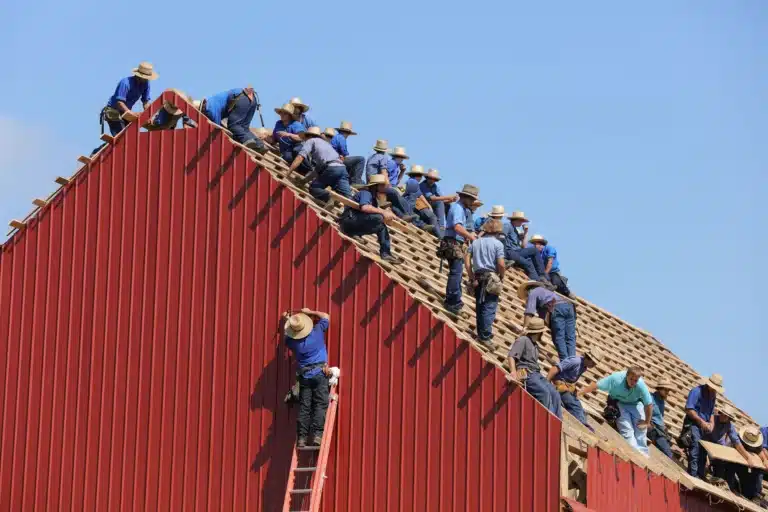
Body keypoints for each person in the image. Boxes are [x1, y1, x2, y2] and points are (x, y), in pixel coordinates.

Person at [283, 308, 332, 447]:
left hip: (304, 376)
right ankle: (317, 435)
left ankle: (302, 438)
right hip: (319, 373)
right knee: (320, 405)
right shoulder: (317, 333)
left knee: (305, 408)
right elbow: (326, 316)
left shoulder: (293, 342)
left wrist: (288, 320)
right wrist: (311, 311)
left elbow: (288, 335)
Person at [580, 367, 654, 456]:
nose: (633, 382)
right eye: (631, 379)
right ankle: (633, 454)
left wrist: (647, 422)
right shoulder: (616, 379)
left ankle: (643, 457)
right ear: (626, 375)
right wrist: (579, 393)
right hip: (619, 403)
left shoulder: (641, 385)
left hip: (635, 404)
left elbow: (649, 404)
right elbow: (596, 385)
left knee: (640, 430)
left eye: (635, 380)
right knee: (627, 430)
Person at [506, 317, 563, 418]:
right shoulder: (522, 340)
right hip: (528, 374)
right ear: (539, 332)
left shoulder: (535, 344)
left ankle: (558, 421)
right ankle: (549, 421)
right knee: (544, 393)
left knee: (555, 394)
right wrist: (513, 373)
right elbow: (511, 356)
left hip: (537, 374)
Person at [338, 174, 401, 264]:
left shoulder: (373, 199)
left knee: (381, 226)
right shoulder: (366, 193)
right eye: (382, 185)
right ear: (376, 186)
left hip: (356, 224)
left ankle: (385, 253)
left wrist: (389, 214)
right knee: (379, 218)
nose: (385, 188)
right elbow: (365, 208)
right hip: (348, 222)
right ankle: (353, 233)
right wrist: (383, 212)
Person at [440, 185, 480, 314]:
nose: (473, 202)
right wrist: (471, 237)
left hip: (454, 242)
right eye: (472, 199)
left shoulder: (461, 209)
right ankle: (452, 302)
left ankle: (455, 300)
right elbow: (457, 227)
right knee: (455, 273)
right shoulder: (458, 208)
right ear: (466, 197)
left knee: (456, 273)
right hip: (453, 242)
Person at [465, 219, 506, 345]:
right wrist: (502, 276)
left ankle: (481, 333)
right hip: (491, 277)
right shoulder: (498, 244)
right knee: (489, 307)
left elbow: (466, 259)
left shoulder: (476, 242)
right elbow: (501, 264)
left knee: (480, 306)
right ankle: (485, 337)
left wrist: (471, 276)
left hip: (478, 276)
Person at [517, 281, 577, 362]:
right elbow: (544, 320)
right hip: (569, 307)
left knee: (559, 338)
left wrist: (524, 329)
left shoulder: (533, 293)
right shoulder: (545, 292)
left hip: (557, 308)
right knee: (570, 337)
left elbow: (529, 313)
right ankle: (572, 361)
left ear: (527, 290)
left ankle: (565, 362)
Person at [288, 127, 351, 202]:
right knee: (348, 198)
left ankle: (331, 198)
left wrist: (288, 172)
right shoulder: (326, 145)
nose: (304, 140)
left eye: (305, 138)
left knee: (314, 188)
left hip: (331, 169)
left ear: (309, 136)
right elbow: (317, 170)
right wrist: (304, 181)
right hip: (342, 169)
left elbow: (299, 157)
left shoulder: (310, 141)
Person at [198, 86, 267, 152]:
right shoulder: (214, 100)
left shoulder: (209, 108)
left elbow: (216, 126)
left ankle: (247, 140)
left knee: (233, 126)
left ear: (203, 106)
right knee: (244, 128)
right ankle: (260, 145)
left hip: (241, 97)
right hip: (252, 98)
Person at [546, 348, 602, 427]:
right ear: (589, 358)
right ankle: (583, 425)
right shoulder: (575, 361)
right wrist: (546, 384)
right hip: (559, 387)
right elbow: (554, 369)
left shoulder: (584, 367)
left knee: (579, 406)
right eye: (593, 363)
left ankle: (582, 422)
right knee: (574, 405)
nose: (594, 366)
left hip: (566, 388)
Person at [683, 373, 724, 478]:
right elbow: (689, 409)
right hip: (693, 423)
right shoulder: (696, 391)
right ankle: (692, 474)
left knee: (703, 451)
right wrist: (701, 422)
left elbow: (710, 413)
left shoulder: (713, 396)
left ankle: (700, 475)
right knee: (695, 447)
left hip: (704, 427)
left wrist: (711, 423)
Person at [101, 62, 158, 136]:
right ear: (138, 76)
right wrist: (130, 113)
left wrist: (149, 115)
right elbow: (119, 102)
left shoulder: (146, 84)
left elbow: (146, 102)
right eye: (144, 78)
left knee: (131, 137)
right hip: (113, 111)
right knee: (122, 137)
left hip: (125, 113)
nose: (146, 80)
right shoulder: (125, 83)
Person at [706, 407, 753, 491]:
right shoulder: (713, 418)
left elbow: (736, 442)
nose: (723, 416)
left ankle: (721, 482)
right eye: (723, 414)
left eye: (726, 416)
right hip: (707, 443)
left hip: (719, 447)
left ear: (729, 418)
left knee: (725, 463)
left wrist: (747, 457)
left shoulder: (729, 425)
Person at [365, 140, 412, 218]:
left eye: (402, 157)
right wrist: (388, 186)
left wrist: (402, 172)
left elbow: (396, 181)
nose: (402, 159)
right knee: (396, 195)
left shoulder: (396, 166)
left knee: (397, 198)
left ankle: (404, 215)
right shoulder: (391, 163)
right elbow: (384, 174)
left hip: (386, 184)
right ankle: (406, 214)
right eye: (400, 157)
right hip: (381, 184)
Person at [504, 211, 548, 283]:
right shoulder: (507, 226)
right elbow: (501, 238)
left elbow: (523, 245)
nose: (522, 223)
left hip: (516, 251)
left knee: (529, 261)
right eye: (521, 221)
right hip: (510, 252)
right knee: (534, 251)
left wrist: (526, 232)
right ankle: (542, 276)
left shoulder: (515, 230)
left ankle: (538, 280)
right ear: (516, 220)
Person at [402, 165, 440, 235]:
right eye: (420, 176)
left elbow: (420, 195)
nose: (421, 178)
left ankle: (422, 225)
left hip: (409, 206)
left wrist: (428, 205)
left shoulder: (412, 182)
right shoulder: (413, 182)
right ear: (418, 176)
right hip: (408, 206)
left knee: (417, 216)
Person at [735, 426, 768, 503]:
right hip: (735, 465)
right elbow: (738, 446)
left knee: (757, 471)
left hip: (748, 469)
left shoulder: (756, 444)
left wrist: (764, 460)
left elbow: (759, 451)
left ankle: (755, 494)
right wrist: (748, 458)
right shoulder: (737, 439)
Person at [273, 103, 309, 170]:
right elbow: (274, 139)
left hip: (296, 148)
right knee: (287, 157)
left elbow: (302, 138)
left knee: (297, 150)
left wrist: (288, 134)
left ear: (290, 115)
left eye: (285, 113)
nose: (282, 115)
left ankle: (308, 169)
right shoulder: (278, 124)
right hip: (286, 151)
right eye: (281, 113)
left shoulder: (296, 124)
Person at [329, 121, 365, 186]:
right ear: (347, 133)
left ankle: (350, 179)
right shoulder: (341, 138)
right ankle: (356, 181)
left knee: (351, 162)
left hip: (333, 159)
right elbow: (344, 151)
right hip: (336, 159)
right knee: (361, 159)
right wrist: (345, 155)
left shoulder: (336, 137)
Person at [647, 380, 675, 459]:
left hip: (659, 431)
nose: (667, 392)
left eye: (668, 390)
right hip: (654, 430)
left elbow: (659, 418)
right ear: (660, 389)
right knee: (668, 454)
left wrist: (664, 427)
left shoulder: (662, 402)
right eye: (666, 390)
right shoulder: (650, 398)